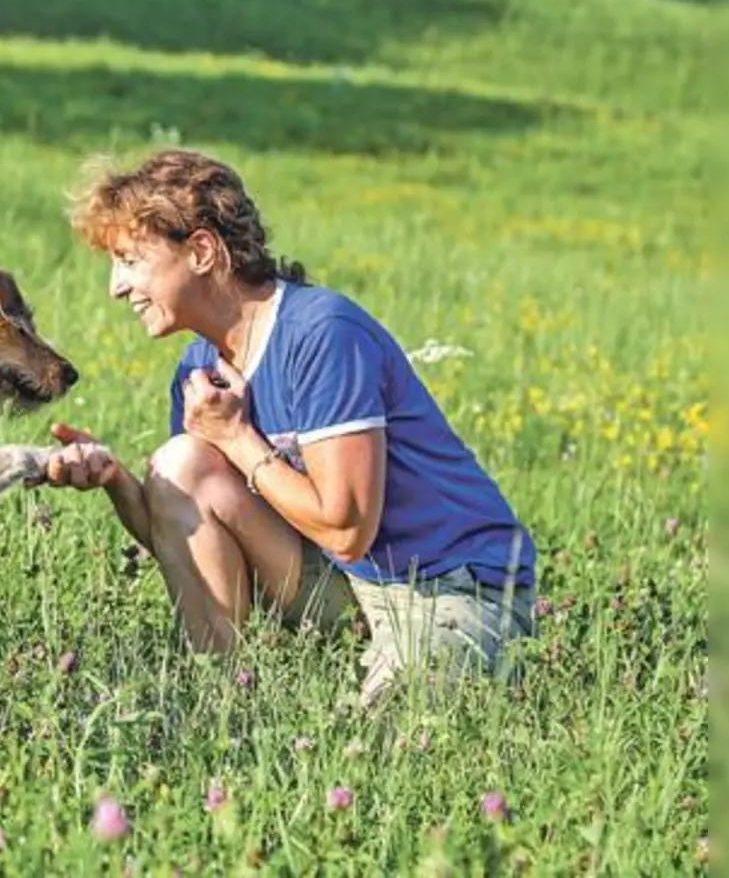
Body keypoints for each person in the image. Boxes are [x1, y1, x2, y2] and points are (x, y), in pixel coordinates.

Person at [41, 148, 537, 710]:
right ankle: (226, 706)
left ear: (202, 250)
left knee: (387, 742)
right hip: (346, 585)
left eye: (130, 260)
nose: (116, 286)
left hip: (448, 587)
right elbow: (187, 534)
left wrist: (236, 439)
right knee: (180, 465)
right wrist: (113, 480)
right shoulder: (200, 371)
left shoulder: (322, 334)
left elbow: (348, 529)